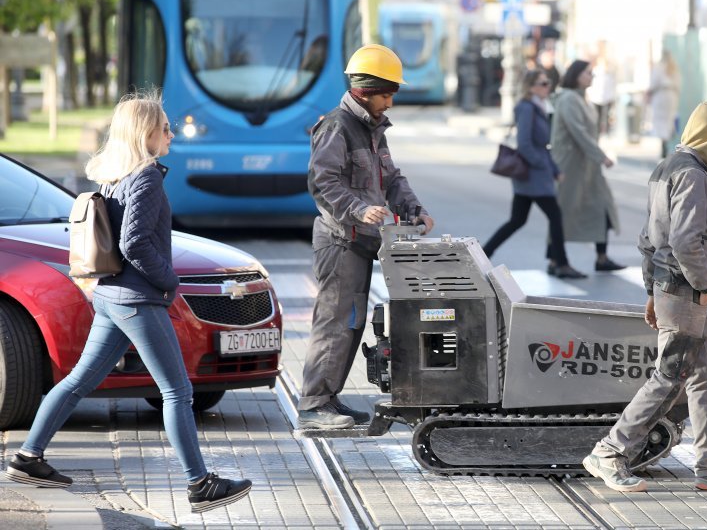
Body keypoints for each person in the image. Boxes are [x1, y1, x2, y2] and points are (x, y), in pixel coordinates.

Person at [5, 93, 252, 514]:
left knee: (79, 381)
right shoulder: (147, 177)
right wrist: (169, 281)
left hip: (110, 297)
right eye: (165, 128)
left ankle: (29, 457)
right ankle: (200, 484)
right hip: (137, 300)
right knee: (177, 391)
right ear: (146, 134)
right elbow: (133, 242)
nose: (172, 134)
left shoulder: (114, 177)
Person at [583, 102, 707, 493]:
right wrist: (704, 284)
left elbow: (649, 239)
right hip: (684, 291)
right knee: (670, 376)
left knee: (705, 374)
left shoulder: (666, 167)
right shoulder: (694, 174)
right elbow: (682, 240)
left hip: (670, 288)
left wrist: (651, 290)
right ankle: (610, 451)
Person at [299, 44, 434, 430]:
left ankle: (329, 398)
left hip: (361, 242)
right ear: (365, 90)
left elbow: (391, 178)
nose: (390, 102)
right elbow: (322, 182)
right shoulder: (336, 127)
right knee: (335, 321)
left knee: (352, 324)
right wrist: (358, 209)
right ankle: (313, 406)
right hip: (339, 240)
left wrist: (415, 210)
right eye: (387, 94)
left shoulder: (373, 129)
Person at [483, 69, 585, 279]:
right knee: (555, 217)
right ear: (531, 87)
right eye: (543, 83)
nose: (548, 87)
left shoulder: (538, 106)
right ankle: (561, 264)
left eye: (548, 83)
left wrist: (554, 169)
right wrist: (543, 167)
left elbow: (543, 145)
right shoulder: (527, 108)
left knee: (517, 220)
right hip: (533, 176)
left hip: (533, 175)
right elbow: (526, 145)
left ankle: (484, 254)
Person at [550, 59, 625, 273]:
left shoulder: (584, 100)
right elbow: (578, 133)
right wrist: (602, 156)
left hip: (587, 166)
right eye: (587, 73)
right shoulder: (569, 100)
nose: (591, 76)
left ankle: (601, 257)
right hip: (571, 166)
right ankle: (555, 260)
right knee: (564, 211)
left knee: (602, 206)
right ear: (575, 75)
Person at [647, 49, 681, 158]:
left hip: (661, 96)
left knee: (661, 122)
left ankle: (664, 146)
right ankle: (666, 144)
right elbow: (678, 85)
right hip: (672, 96)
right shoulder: (674, 68)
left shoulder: (658, 67)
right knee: (668, 120)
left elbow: (653, 83)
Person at [586, 56, 616, 135]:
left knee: (605, 116)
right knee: (597, 116)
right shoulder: (595, 72)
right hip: (595, 98)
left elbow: (611, 86)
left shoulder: (608, 73)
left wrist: (611, 97)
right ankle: (598, 131)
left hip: (605, 98)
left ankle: (605, 131)